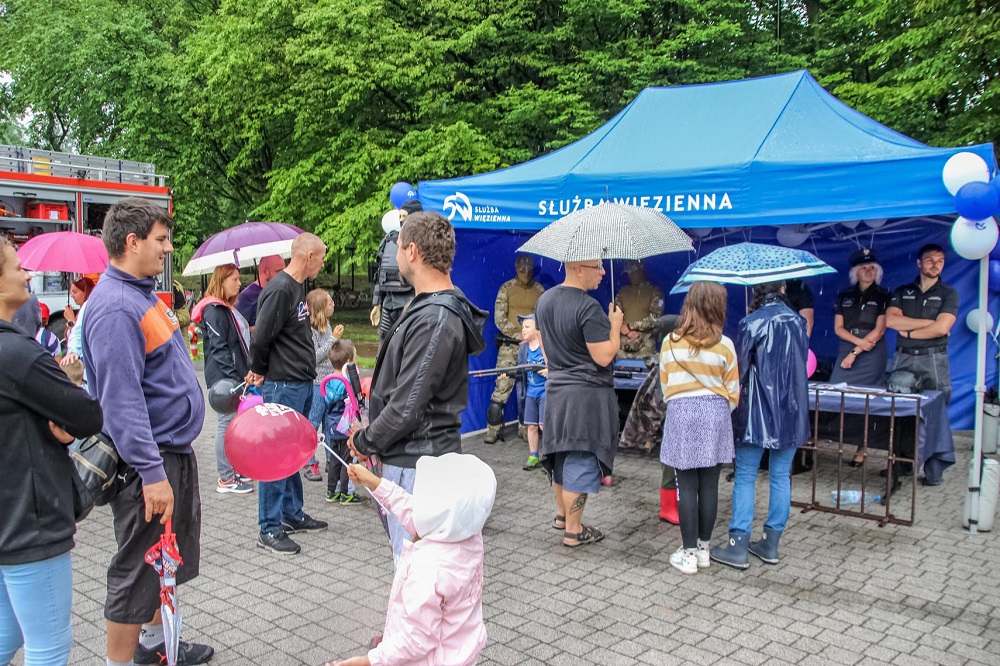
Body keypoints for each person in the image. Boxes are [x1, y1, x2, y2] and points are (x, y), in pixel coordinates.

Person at [81, 197, 213, 665]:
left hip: (165, 456)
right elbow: (122, 402)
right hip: (148, 465)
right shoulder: (117, 307)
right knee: (136, 568)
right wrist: (153, 474)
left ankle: (157, 649)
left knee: (161, 558)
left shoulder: (138, 294)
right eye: (161, 240)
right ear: (132, 242)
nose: (168, 248)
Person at [348, 211, 488, 564]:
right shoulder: (427, 308)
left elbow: (407, 406)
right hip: (410, 459)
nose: (394, 257)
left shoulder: (435, 317)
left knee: (414, 573)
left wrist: (364, 441)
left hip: (418, 463)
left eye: (397, 248)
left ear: (411, 251)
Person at [0, 235, 104, 666]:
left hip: (8, 520)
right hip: (30, 520)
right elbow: (85, 415)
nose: (27, 274)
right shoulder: (17, 353)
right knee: (48, 646)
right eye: (15, 265)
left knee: (6, 637)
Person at [326, 453, 496, 666]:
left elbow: (416, 640)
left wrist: (367, 661)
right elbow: (418, 512)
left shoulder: (429, 569)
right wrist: (375, 483)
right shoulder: (466, 534)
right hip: (459, 651)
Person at [711, 280, 808, 570]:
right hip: (791, 409)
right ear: (781, 291)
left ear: (756, 293)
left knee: (745, 476)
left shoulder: (750, 323)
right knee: (781, 476)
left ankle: (738, 544)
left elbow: (738, 370)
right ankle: (771, 543)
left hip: (754, 410)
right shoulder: (799, 322)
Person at [246, 233, 330, 555]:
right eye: (320, 258)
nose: (322, 264)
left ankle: (291, 514)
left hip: (300, 381)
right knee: (276, 455)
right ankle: (269, 528)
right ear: (308, 257)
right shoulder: (280, 288)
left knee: (294, 452)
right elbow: (261, 336)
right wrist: (261, 369)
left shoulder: (298, 288)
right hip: (283, 384)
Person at [534, 258, 623, 548]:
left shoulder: (544, 301)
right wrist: (615, 328)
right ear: (579, 269)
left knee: (560, 454)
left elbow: (546, 352)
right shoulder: (588, 307)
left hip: (557, 390)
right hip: (586, 397)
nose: (603, 272)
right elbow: (604, 356)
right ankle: (574, 530)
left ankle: (562, 516)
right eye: (598, 267)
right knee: (580, 459)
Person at [658, 282, 738, 574]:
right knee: (709, 486)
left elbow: (665, 386)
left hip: (681, 413)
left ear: (689, 304)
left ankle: (688, 552)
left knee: (686, 486)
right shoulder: (726, 345)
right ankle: (704, 549)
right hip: (715, 414)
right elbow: (733, 391)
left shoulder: (670, 342)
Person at [885, 243, 958, 488]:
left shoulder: (949, 293)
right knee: (901, 412)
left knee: (935, 415)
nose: (935, 264)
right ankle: (903, 464)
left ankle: (934, 472)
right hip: (903, 358)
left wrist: (910, 331)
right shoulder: (902, 291)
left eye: (940, 260)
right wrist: (926, 323)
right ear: (919, 263)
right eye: (929, 260)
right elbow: (891, 320)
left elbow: (942, 328)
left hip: (934, 359)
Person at [191, 263, 253, 495]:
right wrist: (233, 378)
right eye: (234, 279)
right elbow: (219, 349)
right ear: (222, 280)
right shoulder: (215, 310)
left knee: (232, 425)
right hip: (224, 379)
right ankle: (226, 478)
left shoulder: (223, 308)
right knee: (226, 423)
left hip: (233, 376)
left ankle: (232, 471)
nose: (239, 283)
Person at [485, 255, 545, 444]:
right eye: (522, 269)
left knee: (529, 388)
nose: (526, 272)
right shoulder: (507, 288)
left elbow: (544, 318)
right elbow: (500, 318)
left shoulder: (539, 291)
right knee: (502, 386)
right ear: (516, 268)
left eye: (529, 269)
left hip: (532, 347)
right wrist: (521, 336)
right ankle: (493, 429)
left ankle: (525, 427)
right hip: (511, 346)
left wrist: (531, 337)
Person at [830, 248, 890, 387]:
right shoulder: (844, 295)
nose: (868, 271)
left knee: (869, 394)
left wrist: (855, 352)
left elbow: (880, 330)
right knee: (837, 388)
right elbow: (838, 328)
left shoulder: (884, 295)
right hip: (848, 343)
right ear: (856, 272)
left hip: (872, 347)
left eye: (872, 268)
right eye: (863, 268)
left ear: (877, 272)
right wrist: (857, 344)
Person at [304, 289, 345, 483]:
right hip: (317, 384)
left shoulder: (327, 326)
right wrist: (333, 340)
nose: (333, 304)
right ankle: (310, 462)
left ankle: (331, 459)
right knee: (313, 423)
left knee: (330, 423)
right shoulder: (311, 331)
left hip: (331, 383)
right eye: (329, 302)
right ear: (320, 307)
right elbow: (314, 357)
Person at [322, 339, 367, 506]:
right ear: (348, 363)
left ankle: (331, 490)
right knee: (347, 460)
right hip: (346, 427)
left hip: (331, 426)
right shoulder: (346, 383)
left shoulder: (329, 380)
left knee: (335, 459)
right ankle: (346, 492)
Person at [371, 199, 421, 347]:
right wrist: (377, 304)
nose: (401, 220)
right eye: (399, 217)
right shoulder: (388, 241)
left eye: (404, 216)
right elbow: (380, 275)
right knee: (384, 349)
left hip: (412, 302)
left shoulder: (424, 242)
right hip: (388, 303)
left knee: (409, 346)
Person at [514, 314, 547, 470]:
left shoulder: (546, 346)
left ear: (538, 328)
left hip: (546, 392)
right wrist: (506, 374)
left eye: (527, 327)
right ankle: (534, 456)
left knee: (544, 426)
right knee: (531, 426)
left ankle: (550, 455)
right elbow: (519, 370)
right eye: (523, 327)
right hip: (530, 393)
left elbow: (557, 365)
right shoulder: (523, 349)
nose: (523, 330)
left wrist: (549, 371)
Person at [615, 260, 664, 359]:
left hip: (646, 342)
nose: (631, 275)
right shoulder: (623, 292)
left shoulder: (655, 292)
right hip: (624, 343)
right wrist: (627, 331)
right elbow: (615, 316)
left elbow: (655, 319)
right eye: (628, 273)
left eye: (633, 271)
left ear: (641, 269)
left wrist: (631, 327)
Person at [235, 254, 286, 332]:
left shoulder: (281, 291)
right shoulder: (246, 297)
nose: (283, 275)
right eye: (279, 271)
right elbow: (239, 330)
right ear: (265, 271)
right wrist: (267, 327)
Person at [63, 275, 96, 355]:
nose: (72, 296)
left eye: (75, 292)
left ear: (86, 291)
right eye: (71, 292)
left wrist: (71, 321)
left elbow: (80, 338)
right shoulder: (80, 312)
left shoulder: (89, 311)